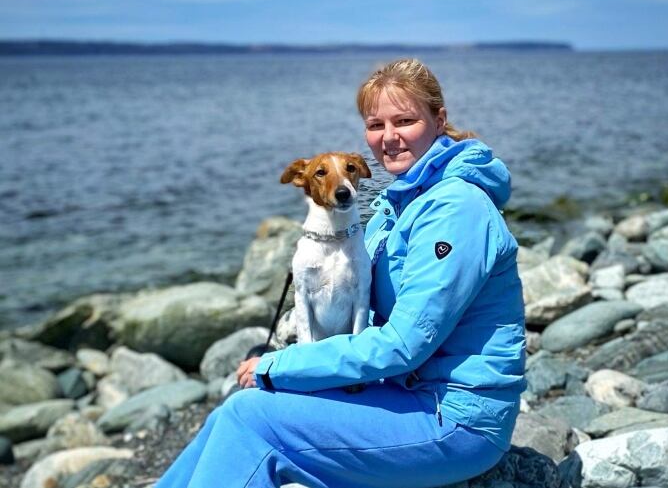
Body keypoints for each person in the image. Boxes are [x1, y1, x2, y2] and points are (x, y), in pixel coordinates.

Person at [155, 58, 526, 488]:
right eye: (375, 124)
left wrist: (281, 364)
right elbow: (352, 304)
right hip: (408, 394)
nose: (388, 138)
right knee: (238, 408)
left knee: (249, 418)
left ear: (438, 120)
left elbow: (405, 345)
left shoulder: (456, 209)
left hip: (457, 419)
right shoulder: (397, 203)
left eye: (404, 121)